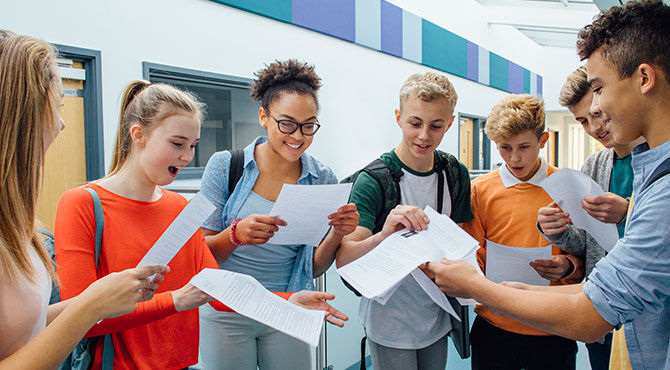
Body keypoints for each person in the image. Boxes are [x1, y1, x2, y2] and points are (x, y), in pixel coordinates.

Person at [426, 1, 670, 369]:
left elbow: (590, 315)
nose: (597, 110)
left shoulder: (662, 192)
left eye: (599, 88)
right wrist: (506, 289)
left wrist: (479, 288)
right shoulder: (651, 176)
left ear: (644, 78)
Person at [55, 79, 348, 370]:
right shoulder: (82, 204)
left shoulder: (180, 208)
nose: (187, 157)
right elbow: (78, 320)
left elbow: (218, 289)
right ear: (138, 134)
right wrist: (176, 300)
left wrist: (289, 300)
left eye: (193, 145)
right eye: (177, 144)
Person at [0, 31, 168, 369]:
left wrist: (102, 300)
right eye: (57, 105)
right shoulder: (82, 201)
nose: (62, 124)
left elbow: (23, 327)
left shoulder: (17, 223)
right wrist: (91, 305)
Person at [198, 59, 358, 370]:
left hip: (290, 305)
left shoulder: (323, 177)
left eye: (309, 125)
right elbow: (199, 255)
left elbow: (313, 267)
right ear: (263, 117)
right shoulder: (225, 166)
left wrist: (338, 233)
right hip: (226, 310)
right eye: (287, 123)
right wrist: (235, 235)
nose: (298, 136)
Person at [336, 71, 473, 370]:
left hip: (437, 314)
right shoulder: (373, 180)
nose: (424, 136)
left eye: (436, 126)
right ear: (398, 117)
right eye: (415, 123)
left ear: (449, 123)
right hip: (389, 320)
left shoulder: (455, 174)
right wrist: (384, 234)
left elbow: (463, 239)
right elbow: (345, 259)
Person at [460, 94, 582, 370]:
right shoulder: (481, 190)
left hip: (553, 326)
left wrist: (568, 266)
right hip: (494, 325)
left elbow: (585, 255)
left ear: (543, 140)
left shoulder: (567, 186)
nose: (514, 158)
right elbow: (473, 255)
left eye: (524, 147)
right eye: (504, 148)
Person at [536, 65, 642, 370]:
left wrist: (626, 212)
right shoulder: (595, 164)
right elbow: (586, 243)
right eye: (582, 121)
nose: (594, 128)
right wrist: (555, 230)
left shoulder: (655, 160)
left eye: (596, 115)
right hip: (603, 308)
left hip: (644, 308)